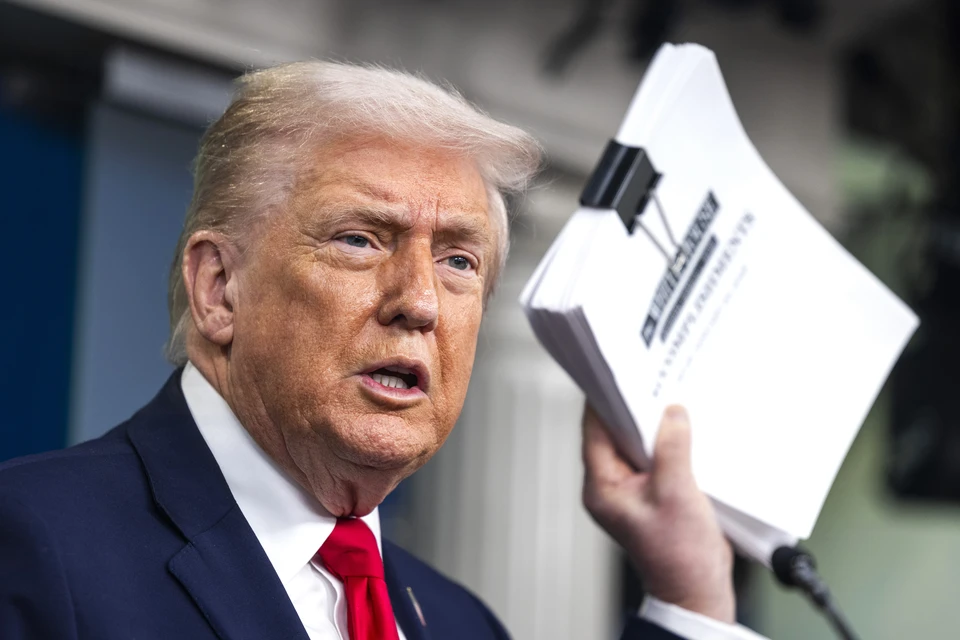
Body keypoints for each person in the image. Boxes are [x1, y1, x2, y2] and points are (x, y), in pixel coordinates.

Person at [0, 61, 766, 640]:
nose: (420, 301)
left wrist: (689, 598)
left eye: (458, 260)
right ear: (219, 288)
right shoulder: (33, 543)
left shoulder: (463, 624)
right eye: (361, 240)